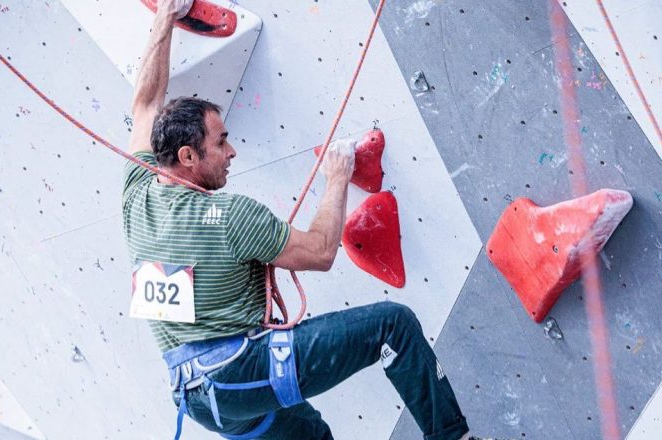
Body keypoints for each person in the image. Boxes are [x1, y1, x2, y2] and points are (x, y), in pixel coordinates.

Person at [122, 1, 488, 439]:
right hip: (240, 373)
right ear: (187, 157)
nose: (232, 151)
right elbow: (319, 251)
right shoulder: (229, 217)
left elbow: (145, 104)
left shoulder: (137, 193)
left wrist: (166, 15)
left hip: (198, 399)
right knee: (394, 326)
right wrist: (337, 177)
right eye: (221, 143)